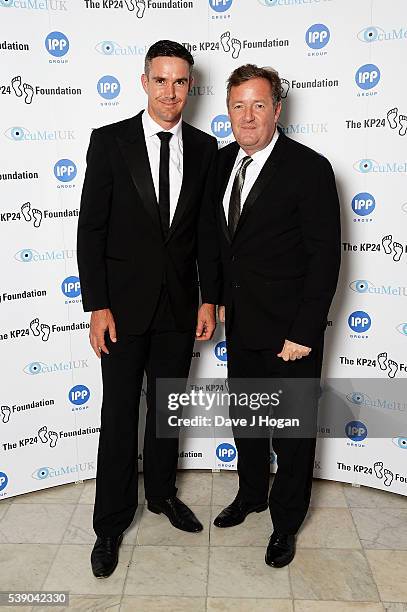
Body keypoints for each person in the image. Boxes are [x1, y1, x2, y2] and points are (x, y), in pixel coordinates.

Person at [77, 40, 220, 579]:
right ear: (144, 82)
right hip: (122, 310)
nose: (170, 91)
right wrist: (98, 306)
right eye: (160, 80)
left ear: (190, 87)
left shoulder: (205, 149)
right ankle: (110, 523)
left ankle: (161, 496)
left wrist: (209, 297)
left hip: (180, 310)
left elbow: (207, 232)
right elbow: (90, 229)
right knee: (118, 416)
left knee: (166, 411)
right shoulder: (109, 142)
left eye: (180, 82)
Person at [213, 64, 341, 568]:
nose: (248, 116)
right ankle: (250, 495)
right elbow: (223, 244)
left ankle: (285, 522)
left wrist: (305, 331)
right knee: (247, 420)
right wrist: (218, 297)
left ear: (277, 110)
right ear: (228, 110)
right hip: (242, 324)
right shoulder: (221, 163)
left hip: (291, 333)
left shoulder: (309, 167)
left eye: (258, 105)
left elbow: (325, 256)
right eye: (238, 105)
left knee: (291, 433)